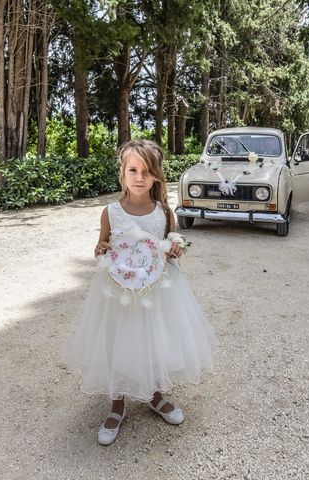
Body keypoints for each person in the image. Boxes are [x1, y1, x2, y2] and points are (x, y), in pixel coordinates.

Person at [64, 139, 217, 446]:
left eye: (146, 171)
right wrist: (100, 249)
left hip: (156, 293)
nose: (139, 177)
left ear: (157, 176)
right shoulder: (111, 212)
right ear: (122, 172)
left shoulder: (163, 212)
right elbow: (102, 248)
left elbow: (172, 248)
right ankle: (117, 404)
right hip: (117, 294)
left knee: (154, 340)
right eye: (132, 169)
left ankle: (155, 395)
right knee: (118, 342)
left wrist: (176, 249)